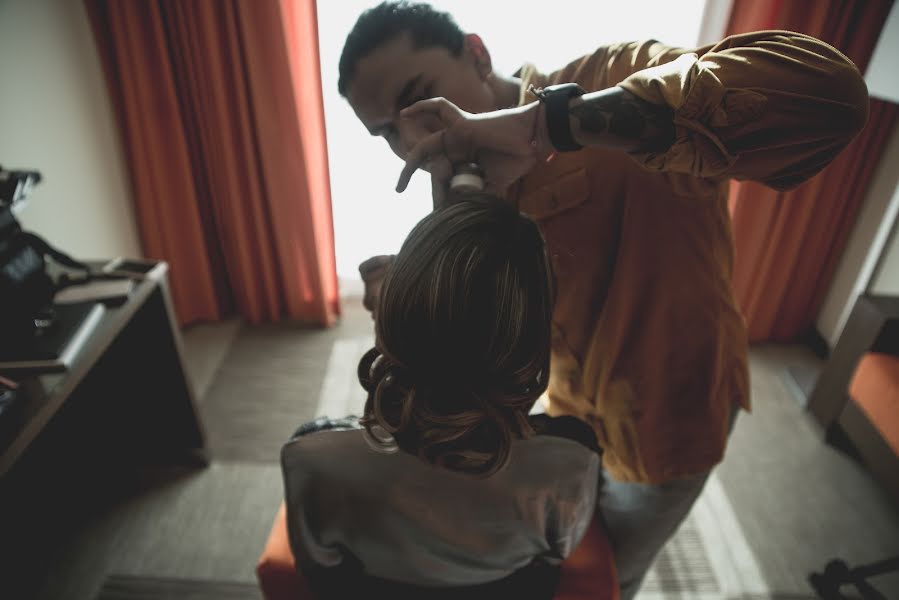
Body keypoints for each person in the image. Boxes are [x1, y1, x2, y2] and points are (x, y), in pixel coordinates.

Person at [337, 3, 870, 598]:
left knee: (612, 576)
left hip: (669, 417)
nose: (414, 138)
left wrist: (548, 127)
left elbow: (832, 96)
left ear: (479, 54)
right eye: (386, 131)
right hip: (562, 420)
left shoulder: (608, 79)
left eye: (420, 101)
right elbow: (494, 336)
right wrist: (416, 296)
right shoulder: (461, 174)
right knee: (560, 561)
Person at [281, 199, 605, 599]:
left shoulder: (313, 457)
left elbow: (319, 570)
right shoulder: (571, 460)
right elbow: (557, 555)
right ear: (534, 339)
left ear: (389, 321)